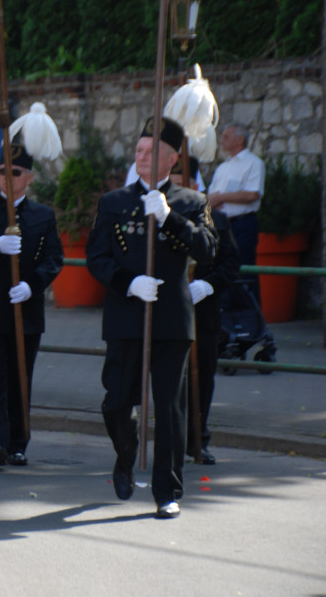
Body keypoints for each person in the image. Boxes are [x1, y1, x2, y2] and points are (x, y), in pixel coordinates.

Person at [85, 117, 217, 519]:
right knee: (116, 403)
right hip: (127, 317)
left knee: (171, 408)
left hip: (171, 321)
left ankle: (167, 491)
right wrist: (127, 282)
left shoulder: (192, 203)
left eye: (149, 151)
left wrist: (169, 218)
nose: (140, 157)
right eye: (138, 150)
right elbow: (97, 258)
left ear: (172, 158)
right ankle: (125, 455)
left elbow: (209, 250)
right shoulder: (114, 202)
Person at [0, 141, 63, 468]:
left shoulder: (43, 216)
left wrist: (31, 286)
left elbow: (53, 259)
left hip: (26, 309)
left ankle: (19, 442)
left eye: (15, 172)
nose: (6, 177)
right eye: (2, 171)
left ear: (30, 177)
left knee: (20, 377)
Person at [168, 161, 240, 465]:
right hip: (170, 311)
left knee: (203, 377)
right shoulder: (159, 216)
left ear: (195, 185)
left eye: (183, 182)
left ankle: (199, 439)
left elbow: (230, 264)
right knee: (171, 379)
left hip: (204, 311)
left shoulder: (217, 219)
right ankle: (172, 440)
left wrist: (208, 286)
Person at [207, 123, 263, 267]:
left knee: (243, 267)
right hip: (219, 224)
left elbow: (253, 194)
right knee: (219, 267)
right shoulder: (223, 167)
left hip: (241, 225)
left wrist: (221, 197)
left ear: (239, 140)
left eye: (226, 137)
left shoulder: (254, 163)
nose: (221, 140)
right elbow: (212, 194)